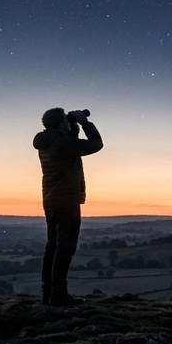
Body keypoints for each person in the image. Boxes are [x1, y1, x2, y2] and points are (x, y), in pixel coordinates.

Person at [33, 107, 103, 306]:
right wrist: (85, 123)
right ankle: (59, 296)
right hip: (67, 201)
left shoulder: (47, 141)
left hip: (51, 200)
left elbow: (70, 143)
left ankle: (49, 294)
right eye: (65, 119)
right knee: (65, 249)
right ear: (60, 124)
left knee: (53, 248)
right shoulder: (63, 143)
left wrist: (71, 125)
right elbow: (96, 144)